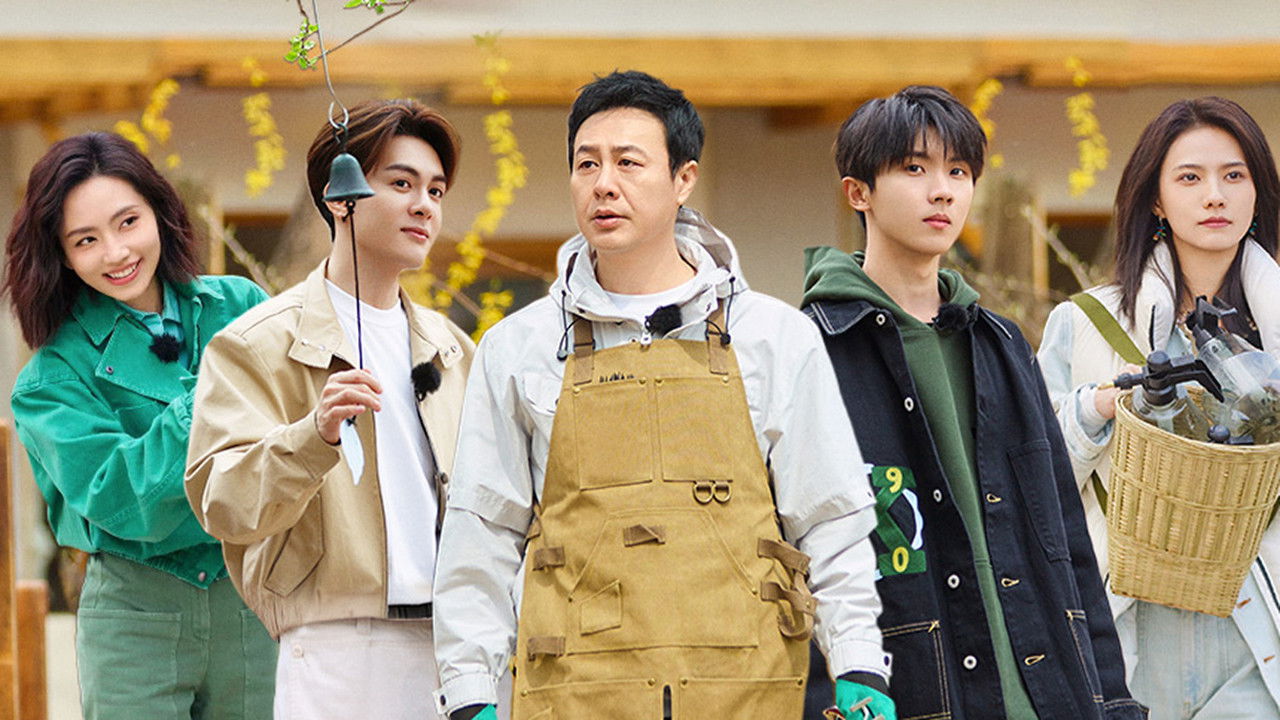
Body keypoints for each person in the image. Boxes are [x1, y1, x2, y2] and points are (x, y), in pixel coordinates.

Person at [431, 70, 892, 720]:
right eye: (586, 164)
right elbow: (481, 532)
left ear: (683, 179)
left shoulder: (773, 337)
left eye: (628, 162)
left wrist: (859, 664)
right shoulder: (519, 347)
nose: (603, 183)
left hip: (749, 692)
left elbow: (830, 518)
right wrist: (469, 692)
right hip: (575, 696)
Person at [801, 86, 1144, 720]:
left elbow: (1065, 540)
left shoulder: (1002, 345)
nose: (943, 192)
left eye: (958, 172)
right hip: (909, 694)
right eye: (915, 169)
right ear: (858, 193)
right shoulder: (812, 350)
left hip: (1048, 697)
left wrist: (1113, 699)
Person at [184, 99, 474, 720]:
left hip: (458, 647)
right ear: (340, 198)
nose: (425, 206)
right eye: (401, 184)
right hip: (336, 643)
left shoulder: (454, 351)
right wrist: (312, 437)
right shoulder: (256, 344)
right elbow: (221, 500)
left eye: (435, 190)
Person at [4, 132, 274, 719]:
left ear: (160, 212)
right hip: (134, 615)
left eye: (128, 222)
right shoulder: (49, 379)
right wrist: (209, 395)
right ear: (61, 255)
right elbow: (124, 502)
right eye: (86, 240)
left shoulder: (242, 306)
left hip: (251, 600)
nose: (116, 252)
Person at [1038, 96, 1280, 719]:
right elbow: (1030, 476)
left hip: (1259, 631)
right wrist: (1096, 407)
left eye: (1234, 175)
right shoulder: (1083, 323)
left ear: (1258, 193)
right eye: (1190, 178)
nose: (1215, 196)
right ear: (1155, 200)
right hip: (1130, 626)